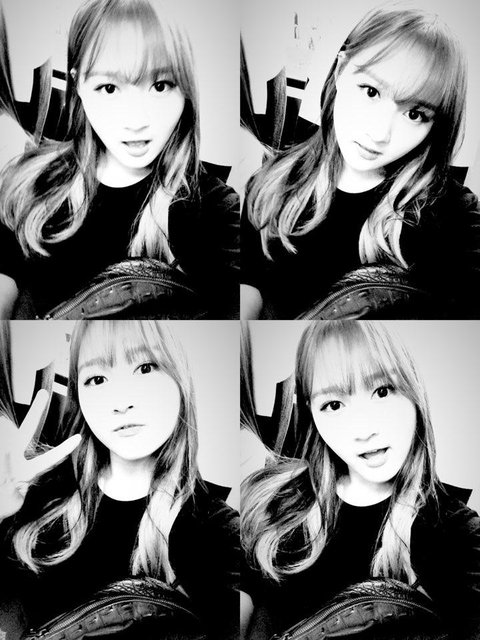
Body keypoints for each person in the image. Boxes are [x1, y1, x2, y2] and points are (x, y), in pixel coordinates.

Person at [0, 320, 240, 639]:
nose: (121, 402)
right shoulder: (39, 496)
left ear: (180, 381)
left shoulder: (209, 524)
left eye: (145, 368)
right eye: (97, 379)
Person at [240, 320, 480, 639]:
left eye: (382, 391)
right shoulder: (274, 504)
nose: (364, 430)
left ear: (413, 391)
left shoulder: (454, 533)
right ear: (313, 414)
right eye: (334, 405)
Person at [0, 0, 239, 320]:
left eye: (160, 86)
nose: (136, 120)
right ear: (78, 85)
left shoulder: (213, 210)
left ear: (185, 89)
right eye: (109, 88)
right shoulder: (28, 186)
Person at [241, 3, 480, 319]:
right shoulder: (272, 183)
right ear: (340, 71)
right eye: (370, 91)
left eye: (414, 114)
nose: (380, 134)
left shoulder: (452, 214)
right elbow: (249, 284)